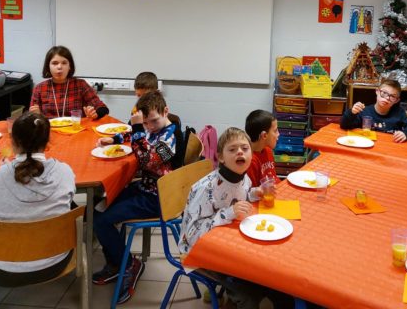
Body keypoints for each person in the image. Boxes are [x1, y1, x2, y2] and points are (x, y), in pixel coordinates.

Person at [178, 127, 293, 309]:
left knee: (278, 282)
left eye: (245, 148)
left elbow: (241, 195)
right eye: (232, 149)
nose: (240, 152)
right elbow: (192, 235)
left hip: (229, 246)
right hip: (199, 253)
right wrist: (229, 213)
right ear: (221, 157)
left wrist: (256, 192)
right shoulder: (206, 188)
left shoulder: (243, 178)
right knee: (249, 297)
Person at [0, 112, 76, 286]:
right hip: (56, 263)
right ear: (48, 142)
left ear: (13, 142)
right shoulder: (65, 172)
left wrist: (5, 171)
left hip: (5, 272)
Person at [93, 90, 180, 304]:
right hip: (144, 188)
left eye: (153, 121)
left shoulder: (171, 138)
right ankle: (117, 262)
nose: (150, 127)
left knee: (102, 220)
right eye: (146, 123)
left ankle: (130, 264)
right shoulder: (152, 129)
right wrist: (113, 139)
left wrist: (140, 128)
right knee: (98, 208)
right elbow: (133, 135)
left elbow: (148, 160)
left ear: (166, 111)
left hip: (157, 198)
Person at [29, 45, 109, 120]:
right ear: (48, 66)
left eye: (64, 63)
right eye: (55, 63)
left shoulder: (81, 84)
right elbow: (31, 118)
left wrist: (95, 114)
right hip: (49, 128)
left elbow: (102, 108)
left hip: (76, 128)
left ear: (70, 66)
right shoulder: (39, 88)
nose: (59, 67)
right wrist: (36, 115)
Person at [340, 79, 407, 143]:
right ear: (377, 91)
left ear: (397, 100)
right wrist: (351, 112)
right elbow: (344, 125)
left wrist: (406, 134)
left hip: (389, 149)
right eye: (384, 93)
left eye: (392, 96)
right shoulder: (364, 111)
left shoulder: (399, 113)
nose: (387, 98)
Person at [244, 109, 279, 186]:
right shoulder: (250, 162)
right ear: (264, 135)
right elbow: (252, 192)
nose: (278, 134)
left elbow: (274, 178)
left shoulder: (268, 151)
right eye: (275, 131)